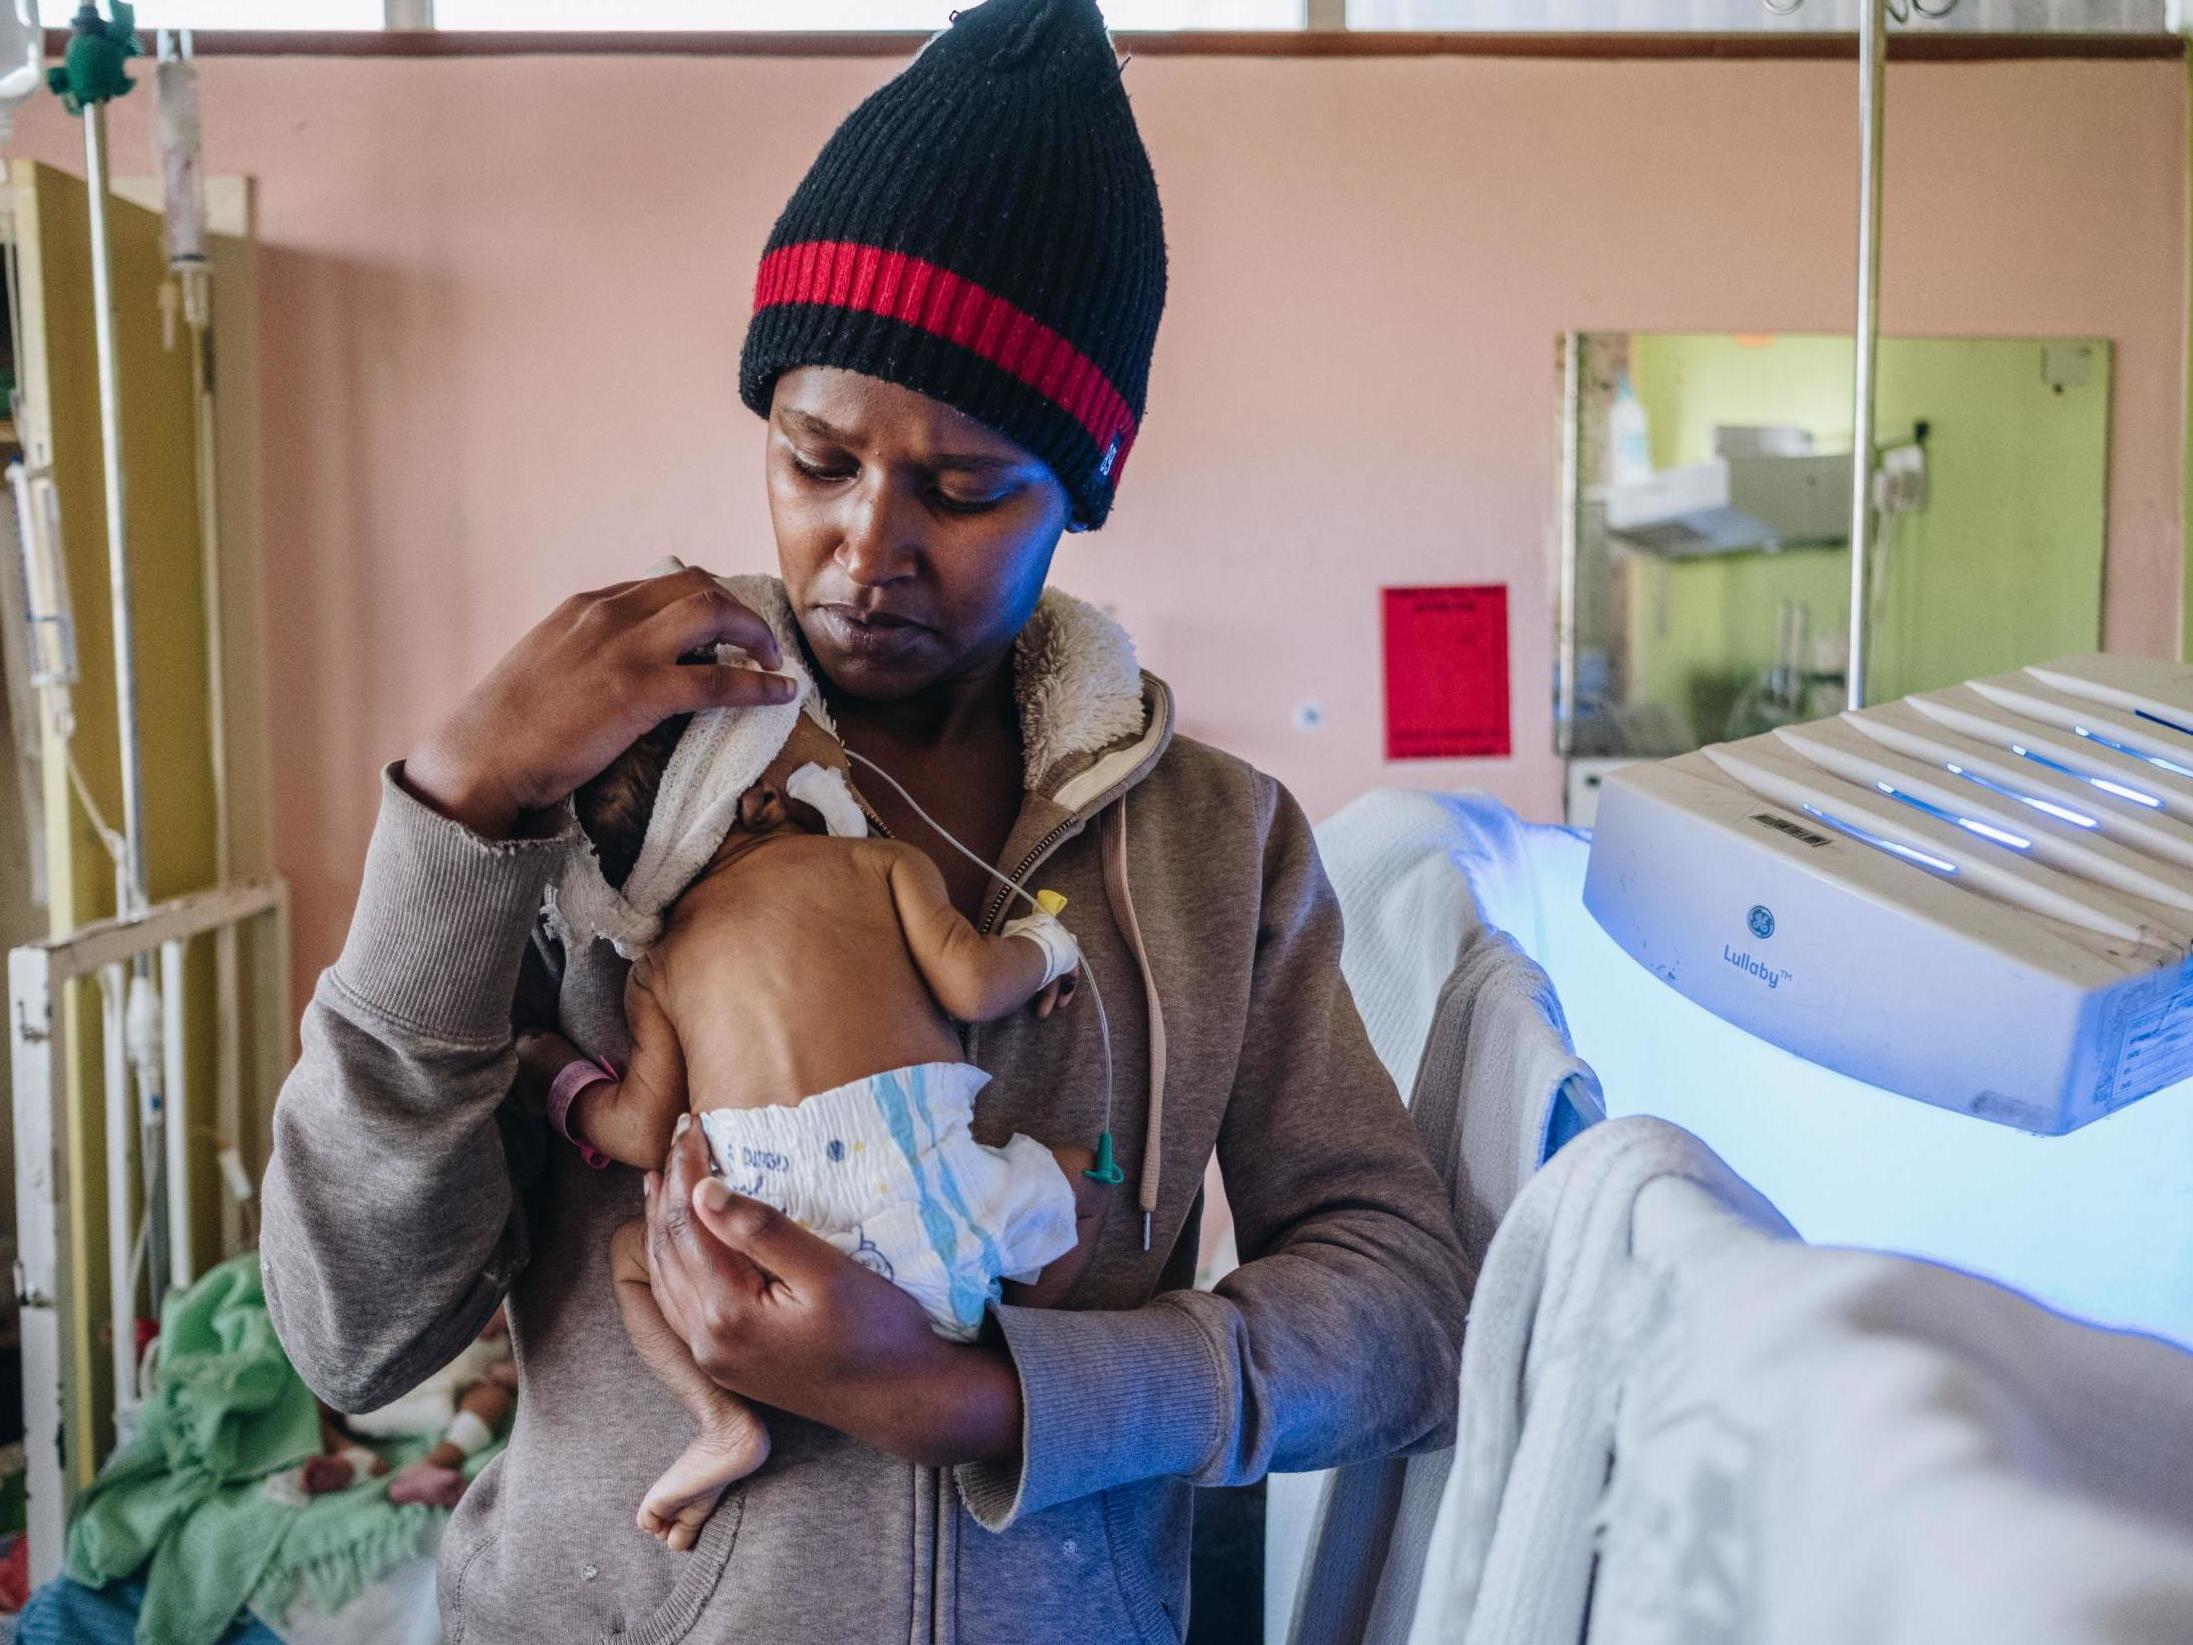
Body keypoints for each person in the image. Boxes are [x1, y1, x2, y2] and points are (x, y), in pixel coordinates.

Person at [261, 1, 1471, 1639]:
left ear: (1082, 483)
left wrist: (991, 1400)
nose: (864, 544)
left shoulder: (1211, 849)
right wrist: (457, 810)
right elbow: (352, 1335)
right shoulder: (609, 790)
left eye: (963, 489)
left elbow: (1402, 1315)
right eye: (812, 456)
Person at [535, 703, 1098, 1549]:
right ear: (764, 793)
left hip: (757, 1243)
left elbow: (644, 1135)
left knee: (629, 1259)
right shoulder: (876, 864)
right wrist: (1047, 945)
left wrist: (558, 1077)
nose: (837, 751)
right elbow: (978, 986)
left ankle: (723, 1419)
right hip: (934, 1207)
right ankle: (1007, 1342)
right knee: (1083, 1181)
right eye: (813, 737)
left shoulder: (659, 964)